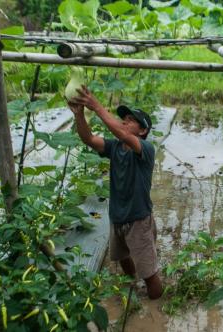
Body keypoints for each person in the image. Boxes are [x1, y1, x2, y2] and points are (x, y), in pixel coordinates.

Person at [68, 86, 163, 299]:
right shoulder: (116, 147)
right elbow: (88, 139)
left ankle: (156, 305)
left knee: (149, 272)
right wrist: (80, 114)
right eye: (124, 118)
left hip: (138, 219)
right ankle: (132, 285)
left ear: (142, 131)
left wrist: (96, 106)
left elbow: (119, 132)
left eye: (131, 120)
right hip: (117, 216)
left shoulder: (145, 150)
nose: (124, 122)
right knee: (122, 257)